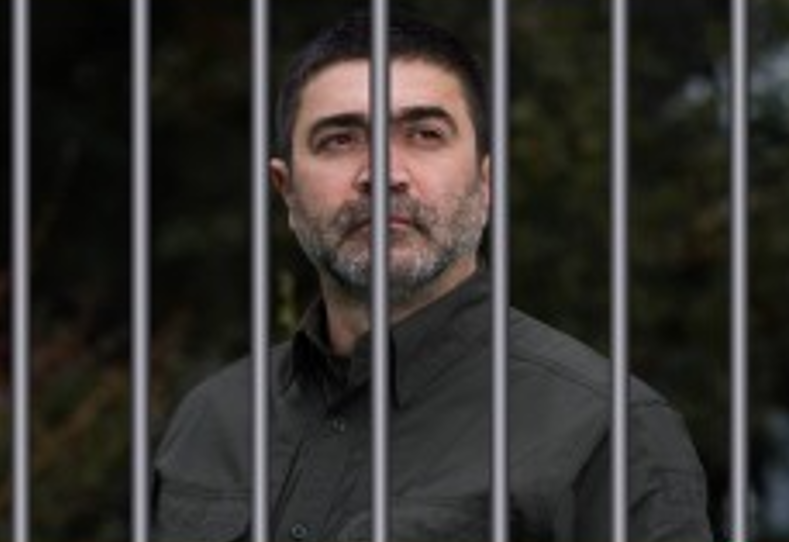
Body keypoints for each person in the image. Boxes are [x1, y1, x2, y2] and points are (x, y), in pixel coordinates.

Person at [151, 11, 713, 542]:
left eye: (424, 134)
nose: (383, 173)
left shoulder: (608, 434)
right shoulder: (212, 420)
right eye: (339, 140)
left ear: (486, 182)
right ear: (287, 190)